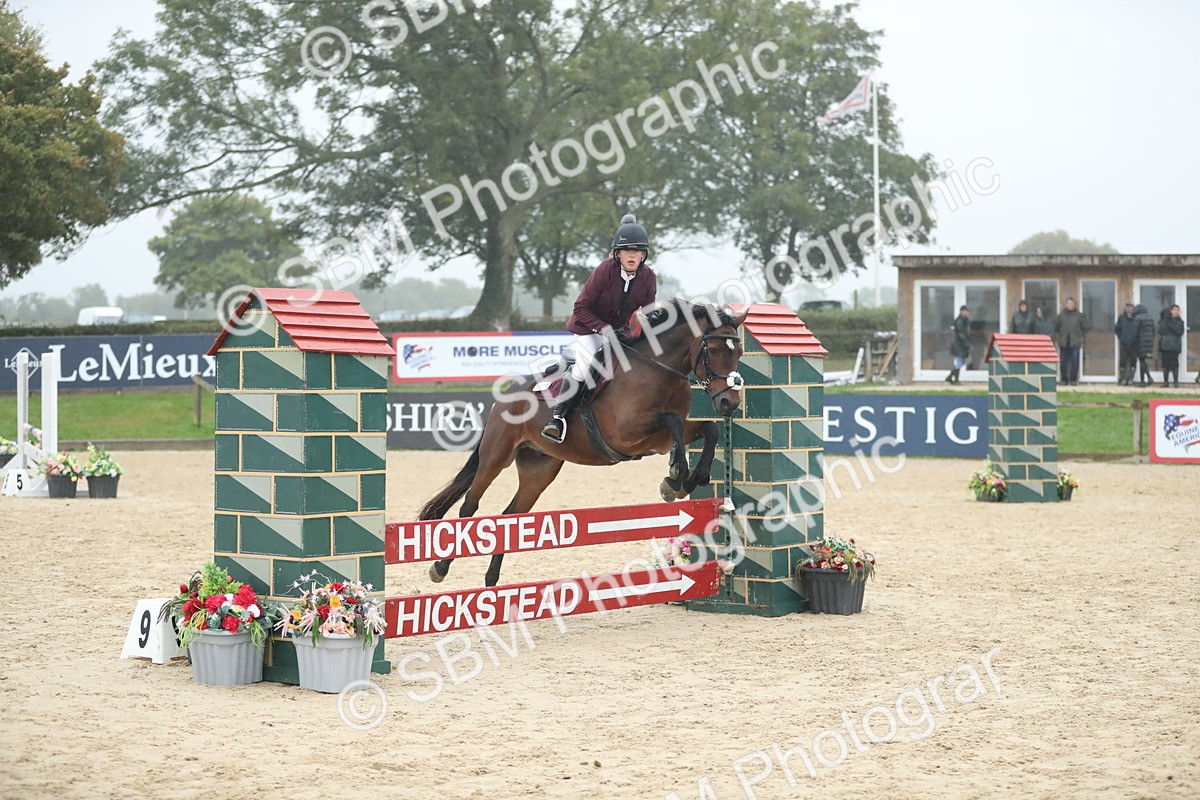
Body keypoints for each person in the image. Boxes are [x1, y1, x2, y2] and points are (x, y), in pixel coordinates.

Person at [541, 214, 657, 443]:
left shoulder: (648, 276)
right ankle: (557, 418)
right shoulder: (605, 270)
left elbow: (649, 310)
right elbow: (580, 307)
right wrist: (604, 330)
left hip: (618, 331)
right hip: (587, 327)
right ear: (618, 253)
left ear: (643, 254)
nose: (632, 255)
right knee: (585, 367)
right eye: (626, 251)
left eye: (637, 251)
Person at [1054, 297, 1087, 385]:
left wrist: (1079, 335)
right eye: (1069, 303)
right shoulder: (1061, 316)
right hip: (1063, 343)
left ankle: (1073, 380)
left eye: (1072, 303)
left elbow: (1085, 327)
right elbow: (1056, 327)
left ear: (1074, 305)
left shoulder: (1079, 315)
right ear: (1066, 305)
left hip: (1075, 342)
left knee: (1075, 362)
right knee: (1063, 363)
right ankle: (1064, 380)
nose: (1070, 305)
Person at [1159, 304, 1185, 388]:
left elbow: (1179, 331)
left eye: (1178, 310)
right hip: (1165, 345)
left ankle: (1175, 382)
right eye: (1174, 310)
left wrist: (1171, 326)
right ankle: (1165, 382)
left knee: (1175, 365)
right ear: (1171, 311)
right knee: (1165, 364)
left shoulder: (1180, 322)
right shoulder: (1165, 320)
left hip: (1175, 346)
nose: (1176, 312)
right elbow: (1161, 330)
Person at [1114, 301, 1139, 385]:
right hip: (1124, 344)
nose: (1129, 308)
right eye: (1127, 306)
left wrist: (1136, 339)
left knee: (1133, 362)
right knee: (1123, 362)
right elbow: (1117, 329)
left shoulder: (1136, 318)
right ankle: (1123, 379)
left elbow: (1139, 330)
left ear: (1133, 308)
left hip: (1133, 344)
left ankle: (1131, 379)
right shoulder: (1121, 318)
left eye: (1130, 306)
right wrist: (1121, 338)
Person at [945, 305, 970, 384]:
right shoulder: (960, 321)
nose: (968, 313)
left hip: (960, 344)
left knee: (961, 362)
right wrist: (966, 343)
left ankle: (950, 377)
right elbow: (961, 334)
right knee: (960, 361)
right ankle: (955, 380)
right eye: (966, 311)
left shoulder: (964, 320)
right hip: (958, 344)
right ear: (962, 311)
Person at [1133, 303, 1156, 387]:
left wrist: (1133, 342)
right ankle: (1149, 378)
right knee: (1143, 360)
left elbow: (1135, 332)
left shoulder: (1137, 318)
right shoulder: (1150, 318)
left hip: (1141, 342)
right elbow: (1153, 331)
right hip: (1149, 342)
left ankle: (1143, 381)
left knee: (1141, 361)